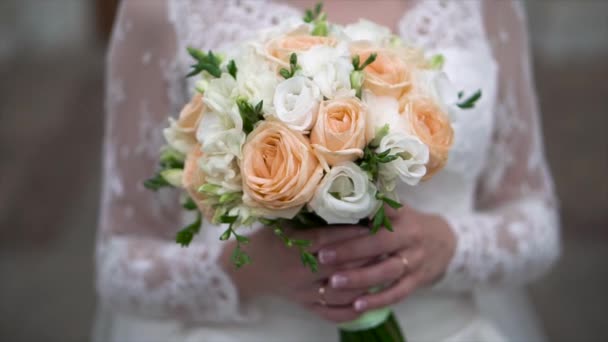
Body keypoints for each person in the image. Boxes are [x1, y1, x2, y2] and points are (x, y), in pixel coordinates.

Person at [94, 1, 560, 341]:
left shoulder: (486, 7)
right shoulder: (161, 11)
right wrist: (247, 271)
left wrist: (450, 247)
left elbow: (537, 223)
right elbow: (120, 264)